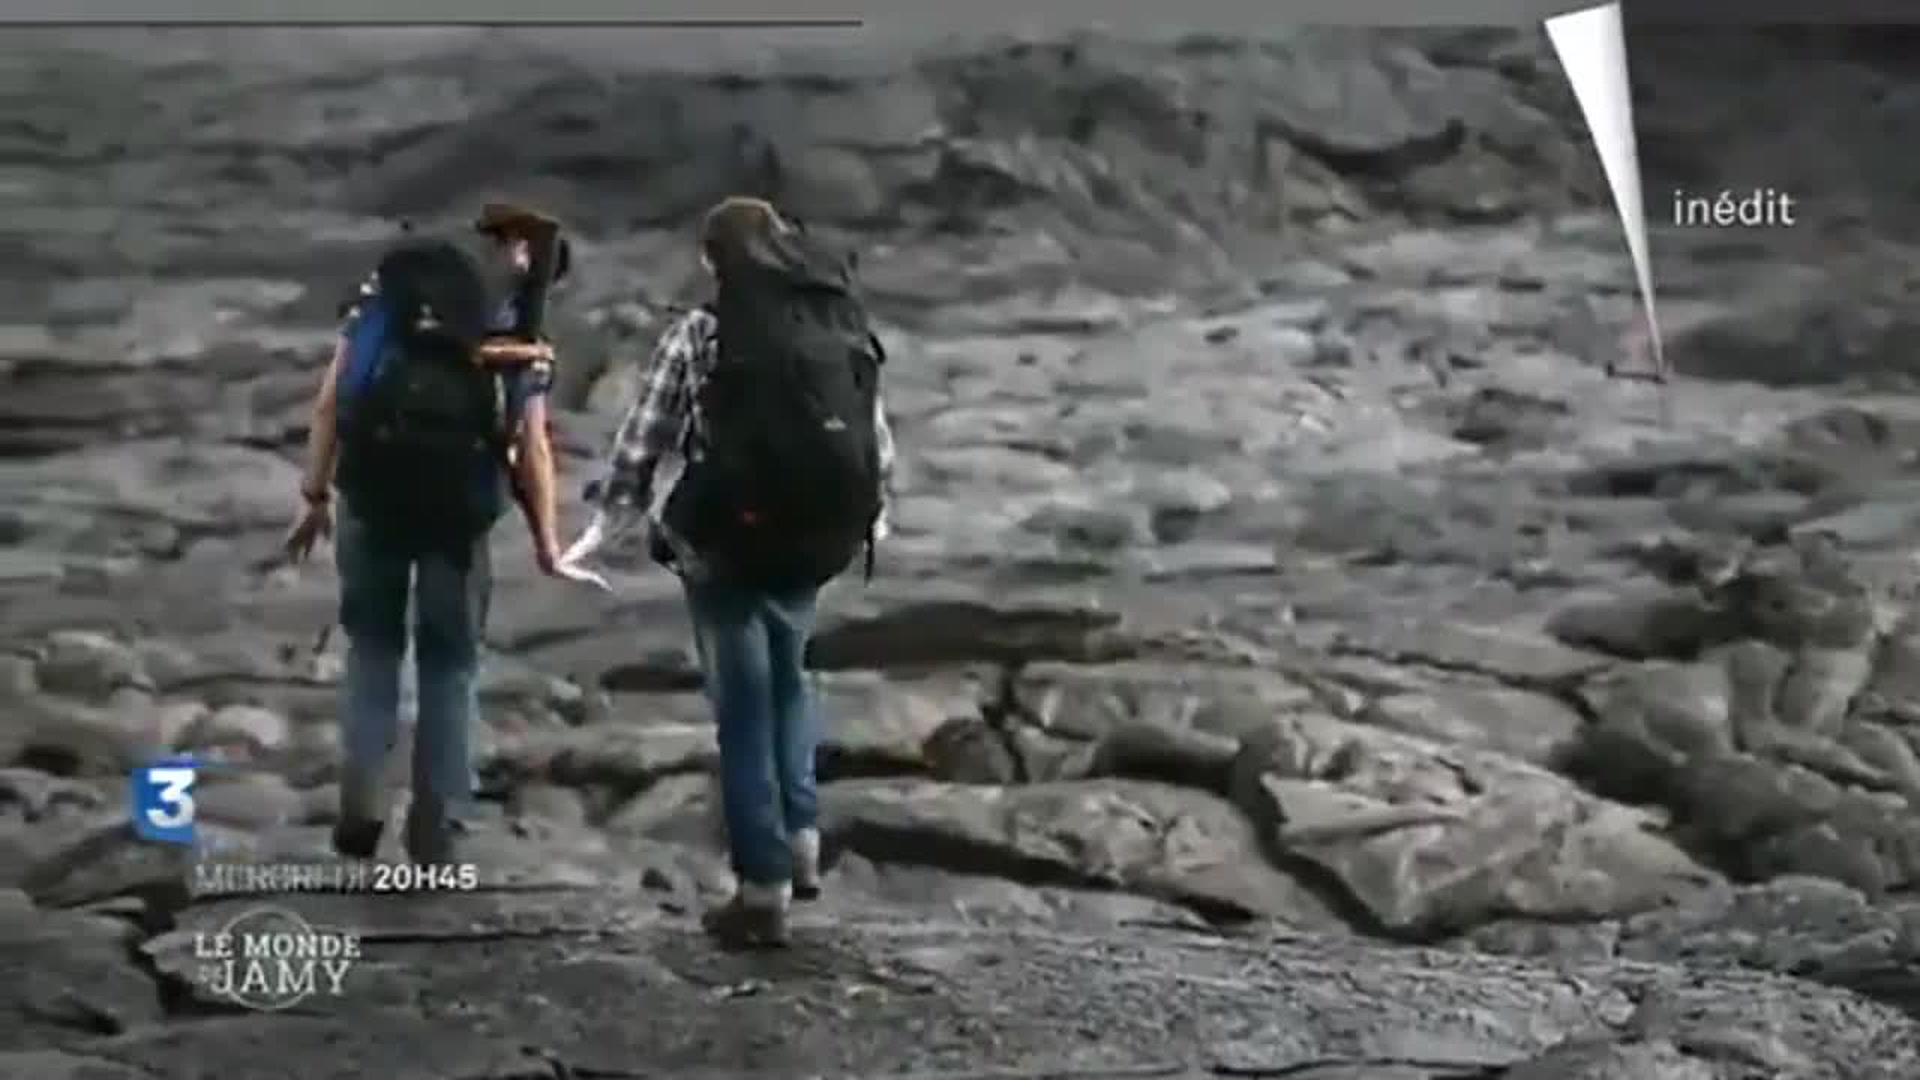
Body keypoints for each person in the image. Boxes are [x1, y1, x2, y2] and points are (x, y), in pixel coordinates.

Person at [571, 195, 894, 948]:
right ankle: (803, 839)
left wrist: (618, 510)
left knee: (743, 706)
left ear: (716, 259)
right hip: (818, 534)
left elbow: (644, 434)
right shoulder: (836, 319)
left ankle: (761, 886)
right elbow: (873, 435)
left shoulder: (704, 331)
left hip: (727, 542)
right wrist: (868, 519)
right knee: (788, 680)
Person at [283, 205, 570, 864]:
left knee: (372, 650)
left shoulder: (388, 299)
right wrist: (547, 541)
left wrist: (313, 495)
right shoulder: (513, 327)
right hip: (458, 512)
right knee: (450, 667)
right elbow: (531, 446)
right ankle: (436, 831)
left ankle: (361, 804)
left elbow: (333, 401)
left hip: (372, 495)